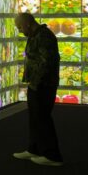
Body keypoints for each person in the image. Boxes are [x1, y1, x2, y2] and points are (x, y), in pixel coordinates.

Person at [12, 11, 63, 166]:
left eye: (20, 27)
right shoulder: (35, 35)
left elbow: (47, 62)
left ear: (28, 23)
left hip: (43, 84)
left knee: (42, 118)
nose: (20, 31)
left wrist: (37, 82)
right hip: (36, 84)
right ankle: (34, 149)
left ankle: (52, 156)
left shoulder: (44, 36)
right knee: (35, 118)